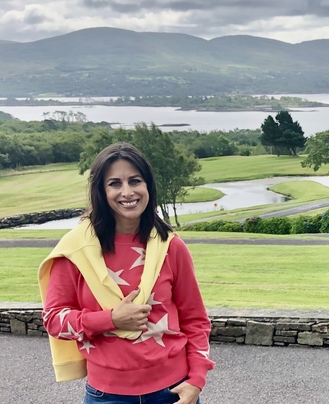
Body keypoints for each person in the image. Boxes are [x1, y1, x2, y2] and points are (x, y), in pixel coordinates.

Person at [38, 142, 214, 404]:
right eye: (115, 183)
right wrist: (110, 319)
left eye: (135, 181)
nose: (127, 192)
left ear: (148, 187)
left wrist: (197, 380)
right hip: (107, 395)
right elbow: (54, 320)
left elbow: (196, 320)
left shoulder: (171, 246)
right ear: (101, 190)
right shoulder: (76, 249)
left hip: (174, 391)